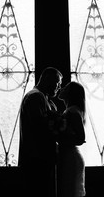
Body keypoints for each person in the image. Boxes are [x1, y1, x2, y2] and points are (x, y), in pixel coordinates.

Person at [18, 67, 63, 197]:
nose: (59, 87)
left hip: (39, 160)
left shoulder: (43, 98)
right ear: (48, 79)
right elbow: (40, 129)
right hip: (36, 161)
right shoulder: (36, 97)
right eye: (57, 83)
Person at [57, 81, 86, 197]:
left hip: (71, 156)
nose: (61, 89)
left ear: (70, 93)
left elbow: (81, 138)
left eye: (65, 88)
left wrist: (61, 137)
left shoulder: (72, 111)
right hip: (67, 154)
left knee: (70, 190)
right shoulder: (71, 110)